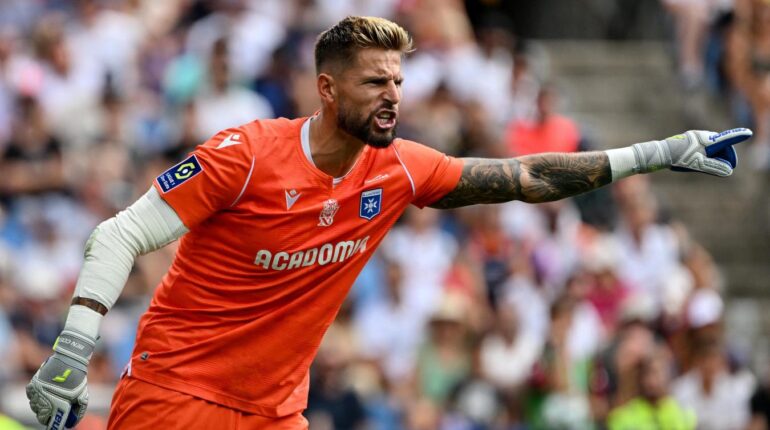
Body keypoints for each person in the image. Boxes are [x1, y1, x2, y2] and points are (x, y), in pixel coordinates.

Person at [24, 15, 752, 430]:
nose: (393, 97)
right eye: (376, 82)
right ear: (327, 88)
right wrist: (73, 348)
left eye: (398, 82)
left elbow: (526, 177)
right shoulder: (244, 154)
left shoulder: (400, 168)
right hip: (175, 397)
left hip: (275, 414)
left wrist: (657, 153)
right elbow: (117, 235)